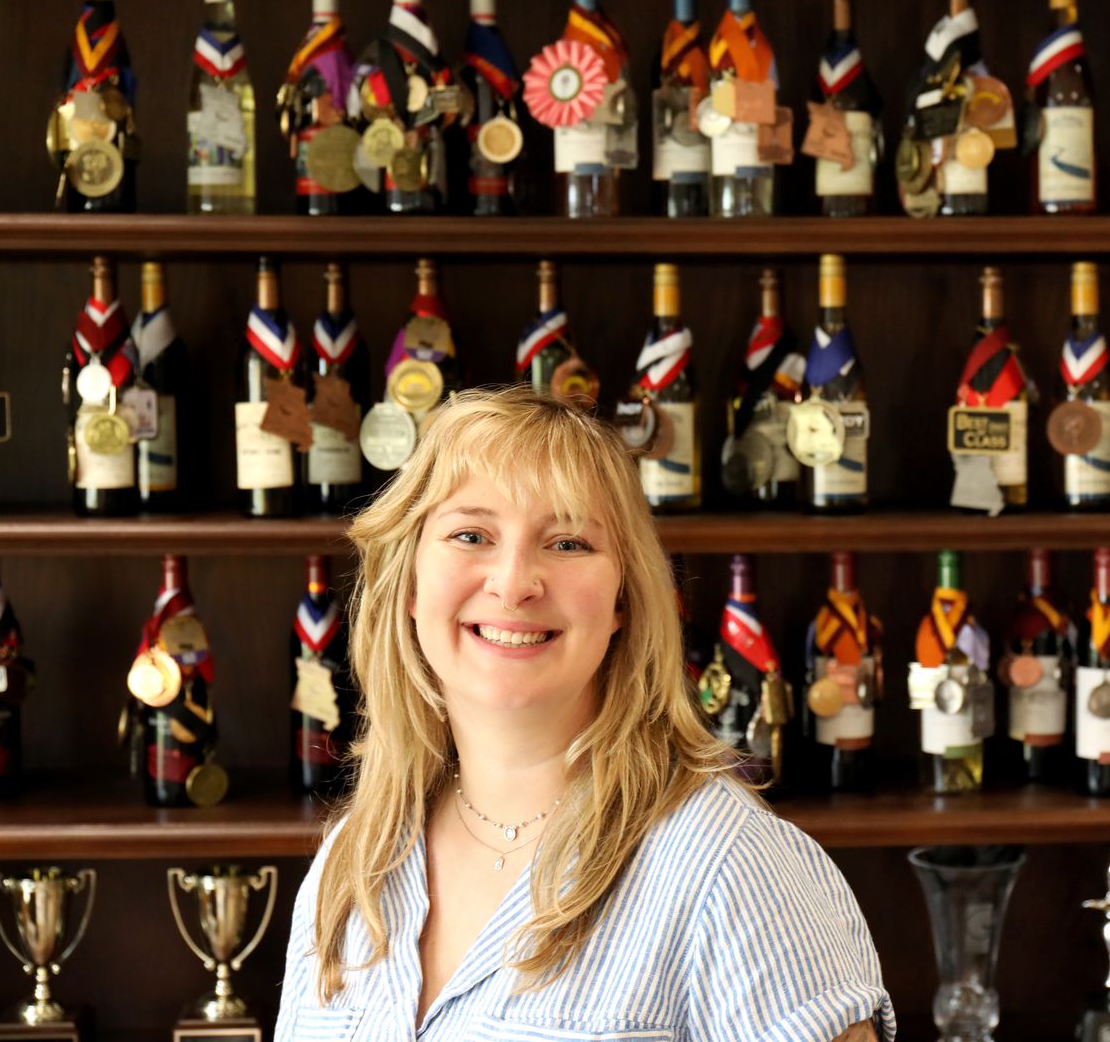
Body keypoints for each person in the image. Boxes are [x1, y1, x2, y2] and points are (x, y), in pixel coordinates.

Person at [276, 388, 895, 1041]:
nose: (514, 584)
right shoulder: (353, 862)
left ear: (623, 597)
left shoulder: (732, 866)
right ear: (409, 581)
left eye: (568, 542)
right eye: (470, 535)